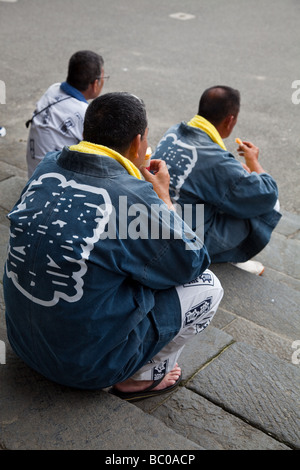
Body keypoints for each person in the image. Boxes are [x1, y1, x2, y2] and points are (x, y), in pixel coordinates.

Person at [4, 92, 223, 400]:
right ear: (137, 143)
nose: (147, 147)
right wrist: (163, 201)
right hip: (84, 368)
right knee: (209, 286)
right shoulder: (133, 196)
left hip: (23, 341)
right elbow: (192, 261)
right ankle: (140, 378)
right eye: (146, 140)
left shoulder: (49, 165)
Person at [153, 85, 282, 275]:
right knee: (269, 203)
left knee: (231, 192)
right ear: (230, 120)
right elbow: (267, 193)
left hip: (152, 221)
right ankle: (228, 255)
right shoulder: (217, 160)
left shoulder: (174, 132)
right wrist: (253, 161)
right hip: (184, 238)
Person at [26, 50, 106, 178]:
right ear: (95, 83)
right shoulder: (86, 114)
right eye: (103, 78)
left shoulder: (53, 89)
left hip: (33, 176)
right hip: (54, 185)